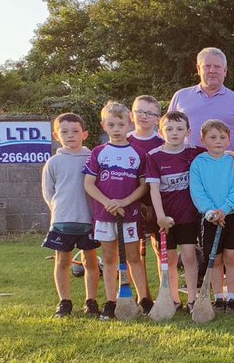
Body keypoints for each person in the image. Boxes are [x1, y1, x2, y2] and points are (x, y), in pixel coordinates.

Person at [82, 101, 150, 320]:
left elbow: (144, 186)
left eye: (121, 124)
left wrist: (124, 201)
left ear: (129, 124)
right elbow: (89, 184)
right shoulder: (98, 152)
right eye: (111, 125)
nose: (116, 129)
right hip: (105, 215)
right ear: (104, 126)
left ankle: (144, 300)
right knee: (110, 258)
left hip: (129, 214)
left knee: (133, 257)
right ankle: (111, 301)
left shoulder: (138, 153)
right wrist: (108, 203)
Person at [41, 112, 100, 317]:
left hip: (88, 220)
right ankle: (64, 302)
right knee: (62, 262)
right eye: (64, 132)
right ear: (57, 136)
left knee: (90, 262)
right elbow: (48, 193)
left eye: (75, 131)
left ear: (84, 134)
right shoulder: (53, 163)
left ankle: (91, 301)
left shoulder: (93, 157)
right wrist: (60, 210)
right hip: (62, 221)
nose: (70, 136)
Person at [145, 111, 203, 310]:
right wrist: (160, 217)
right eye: (169, 129)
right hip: (164, 218)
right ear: (161, 131)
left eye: (179, 129)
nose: (174, 133)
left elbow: (217, 153)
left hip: (187, 216)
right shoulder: (154, 156)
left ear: (188, 131)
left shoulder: (194, 152)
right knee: (168, 258)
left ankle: (193, 299)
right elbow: (153, 189)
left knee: (189, 256)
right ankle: (173, 299)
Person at [189, 119, 234, 313]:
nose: (218, 141)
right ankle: (219, 297)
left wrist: (225, 209)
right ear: (203, 139)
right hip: (210, 217)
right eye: (213, 137)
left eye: (223, 137)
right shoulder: (198, 163)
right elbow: (197, 191)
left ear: (229, 140)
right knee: (215, 259)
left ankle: (232, 297)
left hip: (232, 215)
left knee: (231, 258)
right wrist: (212, 212)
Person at [167, 47, 234, 150]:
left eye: (217, 67)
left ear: (225, 71)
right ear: (198, 69)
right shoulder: (180, 96)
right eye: (207, 66)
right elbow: (167, 131)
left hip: (226, 164)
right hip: (186, 163)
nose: (212, 71)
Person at [127, 94, 164, 306]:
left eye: (150, 113)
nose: (144, 116)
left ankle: (164, 295)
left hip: (157, 204)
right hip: (132, 204)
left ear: (158, 118)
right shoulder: (125, 141)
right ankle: (142, 296)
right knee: (134, 253)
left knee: (162, 250)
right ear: (132, 114)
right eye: (139, 111)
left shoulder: (163, 141)